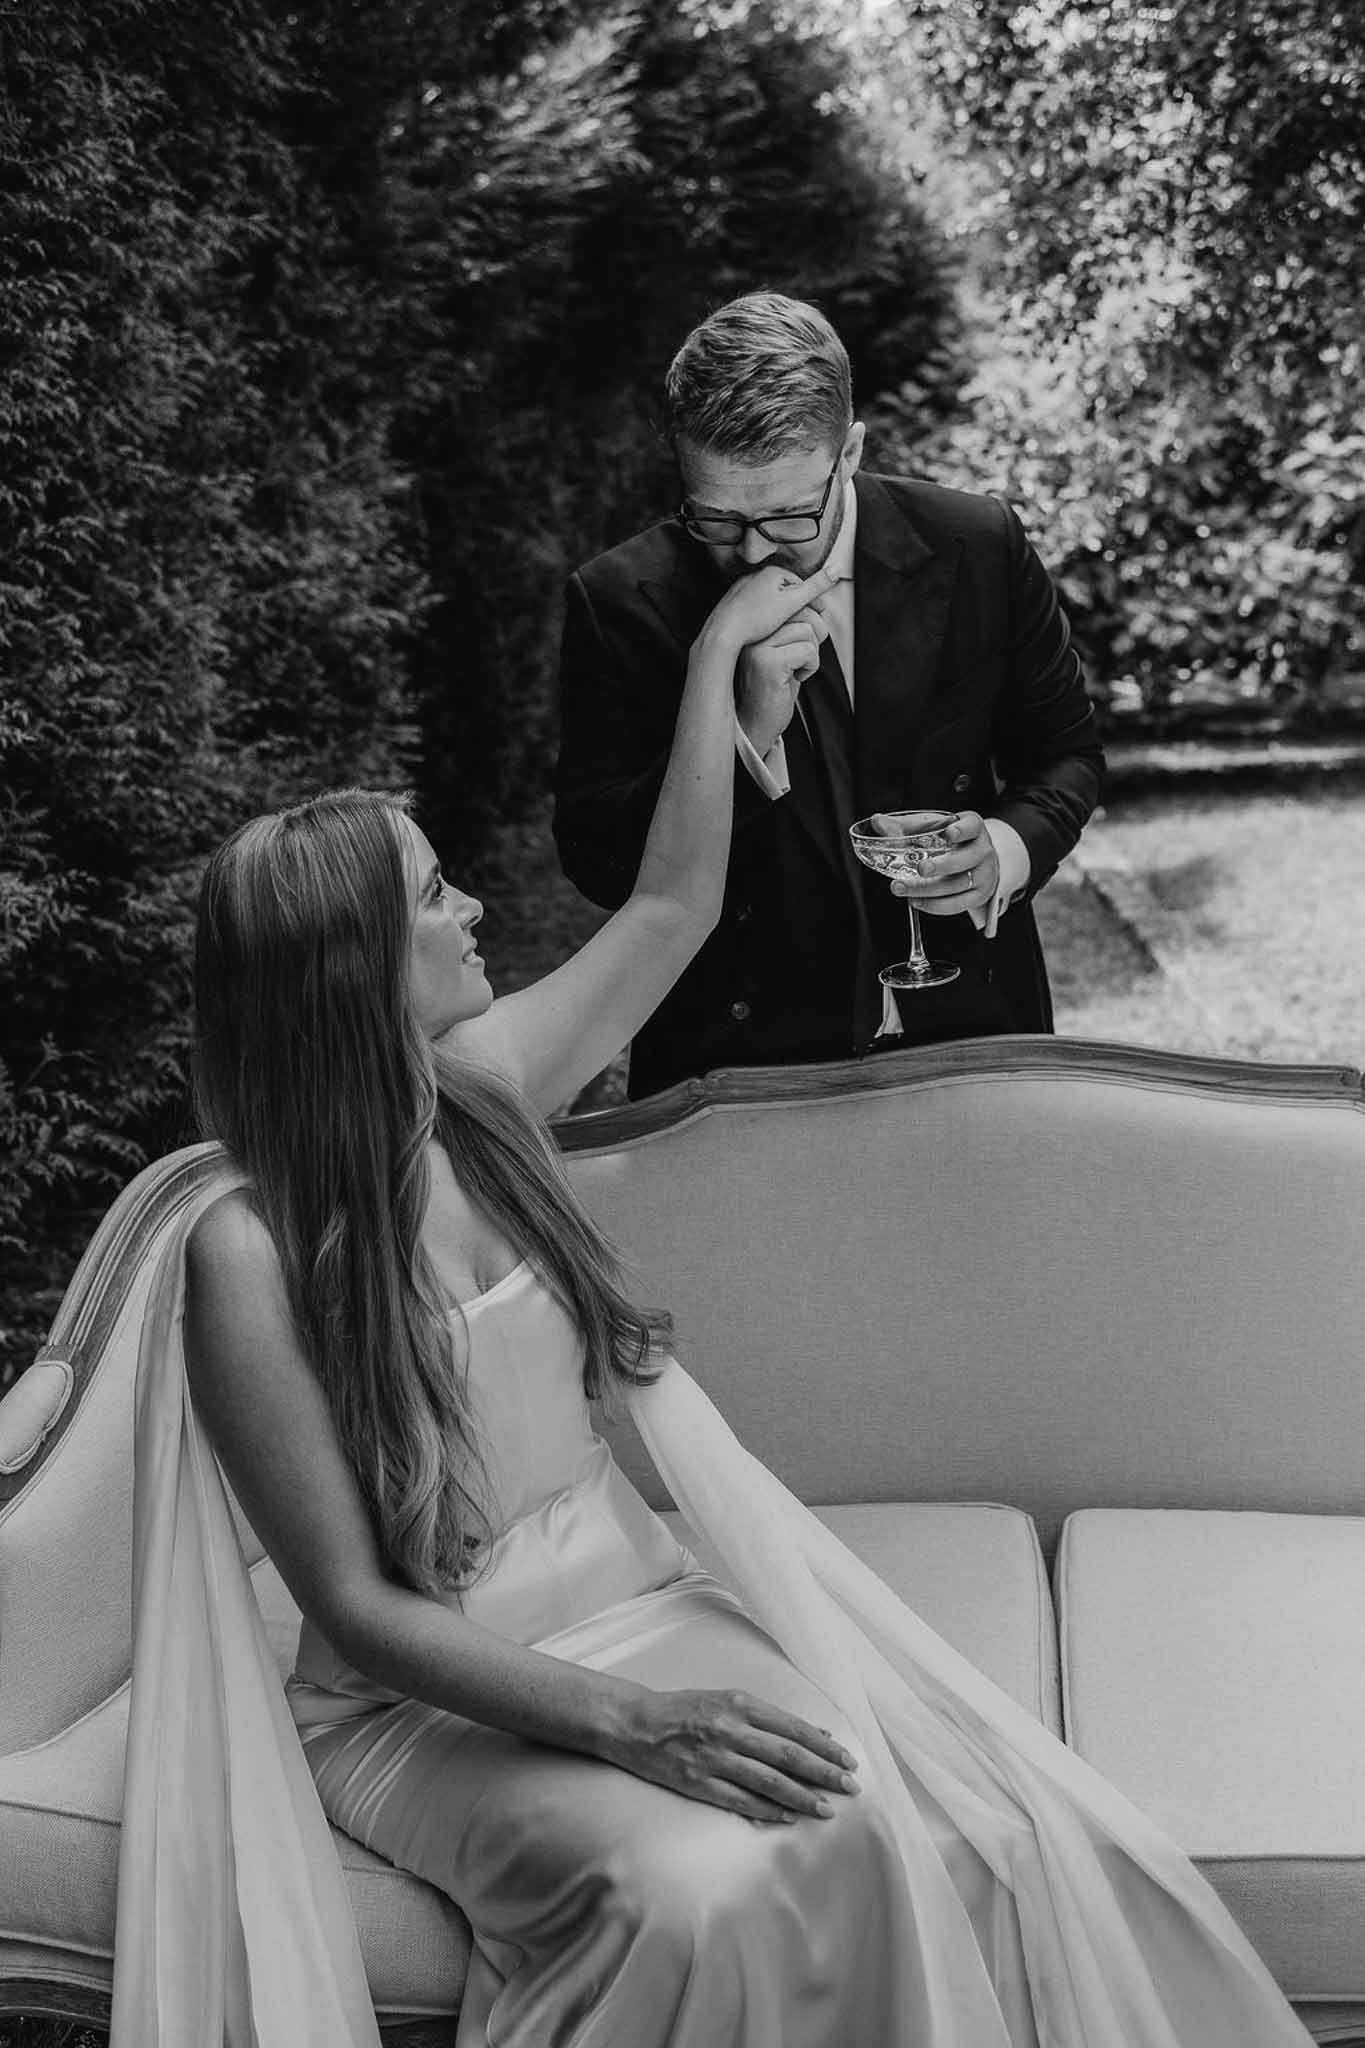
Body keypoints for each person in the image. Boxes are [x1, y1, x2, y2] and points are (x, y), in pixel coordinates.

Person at [107, 560, 1310, 2048]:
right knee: (701, 1894)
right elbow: (354, 1610)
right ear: (352, 964)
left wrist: (721, 659)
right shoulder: (249, 1252)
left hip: (641, 1599)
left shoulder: (474, 1095)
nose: (476, 903)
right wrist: (631, 1728)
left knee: (865, 1813)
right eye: (436, 894)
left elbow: (675, 901)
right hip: (430, 1703)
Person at [554, 291, 1106, 1099]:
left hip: (973, 1035)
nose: (750, 550)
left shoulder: (974, 543)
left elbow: (1064, 754)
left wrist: (1004, 849)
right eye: (716, 516)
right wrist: (739, 731)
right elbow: (599, 862)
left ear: (847, 452)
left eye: (785, 515)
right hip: (736, 1071)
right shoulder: (618, 600)